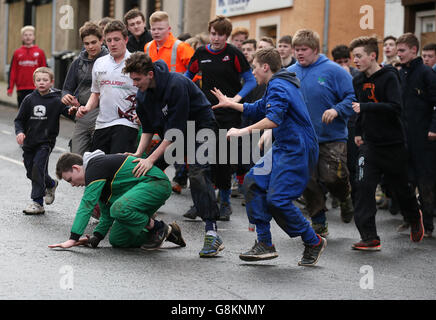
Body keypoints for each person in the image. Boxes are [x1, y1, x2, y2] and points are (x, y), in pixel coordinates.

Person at [211, 48, 327, 266]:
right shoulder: (277, 83)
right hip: (285, 145)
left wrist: (242, 131)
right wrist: (230, 103)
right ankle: (265, 243)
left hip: (298, 149)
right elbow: (259, 108)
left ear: (265, 67)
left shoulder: (280, 85)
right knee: (254, 181)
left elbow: (272, 119)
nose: (253, 71)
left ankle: (313, 241)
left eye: (254, 67)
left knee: (278, 200)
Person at [123, 52, 224, 257]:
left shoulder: (175, 84)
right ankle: (154, 227)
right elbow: (149, 128)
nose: (134, 84)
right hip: (176, 134)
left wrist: (150, 159)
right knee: (142, 168)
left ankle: (212, 232)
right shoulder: (143, 93)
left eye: (137, 79)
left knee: (197, 172)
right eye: (132, 79)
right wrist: (139, 153)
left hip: (201, 129)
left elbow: (173, 133)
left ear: (150, 74)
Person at [349, 36, 424, 250]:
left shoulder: (390, 77)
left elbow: (395, 108)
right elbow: (358, 109)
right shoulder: (358, 80)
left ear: (373, 56)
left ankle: (413, 216)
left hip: (393, 143)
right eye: (354, 56)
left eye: (359, 56)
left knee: (401, 189)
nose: (355, 60)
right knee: (363, 187)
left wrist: (366, 108)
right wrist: (358, 130)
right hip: (369, 144)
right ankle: (369, 237)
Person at [185, 16, 257, 221]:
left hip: (229, 114)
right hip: (204, 112)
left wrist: (235, 99)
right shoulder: (200, 53)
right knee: (199, 160)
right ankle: (200, 203)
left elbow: (250, 80)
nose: (216, 38)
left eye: (221, 35)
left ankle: (224, 202)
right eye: (213, 34)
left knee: (222, 160)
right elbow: (187, 77)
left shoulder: (233, 53)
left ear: (227, 36)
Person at [288, 29, 355, 236]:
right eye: (296, 49)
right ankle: (318, 219)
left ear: (315, 50)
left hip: (331, 136)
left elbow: (352, 97)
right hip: (303, 138)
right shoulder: (290, 72)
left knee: (334, 177)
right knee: (306, 180)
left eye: (304, 49)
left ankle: (344, 198)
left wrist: (336, 109)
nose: (299, 53)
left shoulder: (335, 71)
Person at [48, 151, 185, 250]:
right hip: (142, 194)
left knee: (118, 208)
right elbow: (106, 214)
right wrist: (96, 237)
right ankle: (171, 233)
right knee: (117, 239)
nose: (72, 184)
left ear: (76, 168)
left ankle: (159, 228)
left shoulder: (95, 167)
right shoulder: (97, 180)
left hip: (156, 184)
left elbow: (87, 204)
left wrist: (73, 238)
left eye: (70, 180)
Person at [73, 20, 139, 155]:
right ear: (104, 41)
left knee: (116, 167)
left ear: (125, 40)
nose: (113, 44)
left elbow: (146, 92)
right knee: (97, 167)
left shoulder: (135, 61)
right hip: (102, 124)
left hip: (126, 123)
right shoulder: (99, 63)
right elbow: (96, 93)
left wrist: (142, 112)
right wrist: (87, 108)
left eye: (116, 39)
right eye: (109, 40)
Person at [14, 67, 73, 214]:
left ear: (51, 82)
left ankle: (37, 202)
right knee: (31, 172)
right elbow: (19, 120)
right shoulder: (29, 99)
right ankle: (51, 184)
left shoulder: (57, 99)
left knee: (37, 168)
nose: (42, 83)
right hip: (29, 143)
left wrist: (74, 109)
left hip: (45, 142)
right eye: (38, 80)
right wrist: (20, 132)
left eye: (45, 80)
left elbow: (70, 113)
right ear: (34, 82)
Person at [396, 33, 436, 238]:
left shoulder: (427, 73)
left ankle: (428, 224)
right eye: (397, 50)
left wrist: (433, 127)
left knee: (425, 181)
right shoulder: (401, 73)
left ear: (414, 50)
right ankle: (412, 220)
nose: (398, 54)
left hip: (425, 139)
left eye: (402, 50)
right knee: (405, 181)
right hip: (404, 137)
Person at [62, 22, 109, 156]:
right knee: (76, 156)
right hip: (82, 113)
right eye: (86, 43)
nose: (90, 47)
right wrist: (66, 96)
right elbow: (66, 89)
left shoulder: (110, 59)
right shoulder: (78, 62)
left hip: (104, 113)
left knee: (98, 156)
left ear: (101, 40)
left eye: (93, 42)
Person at [331, 44, 360, 206]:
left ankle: (353, 199)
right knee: (337, 163)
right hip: (338, 124)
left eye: (345, 61)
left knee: (353, 164)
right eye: (338, 62)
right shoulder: (332, 74)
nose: (342, 65)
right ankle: (338, 195)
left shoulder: (356, 74)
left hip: (354, 124)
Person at [7, 25, 47, 108]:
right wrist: (10, 88)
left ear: (34, 37)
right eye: (25, 35)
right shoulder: (17, 53)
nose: (28, 37)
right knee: (22, 113)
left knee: (34, 113)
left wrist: (46, 86)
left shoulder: (40, 52)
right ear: (22, 38)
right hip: (21, 88)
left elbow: (44, 70)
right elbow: (13, 71)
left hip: (36, 87)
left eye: (30, 35)